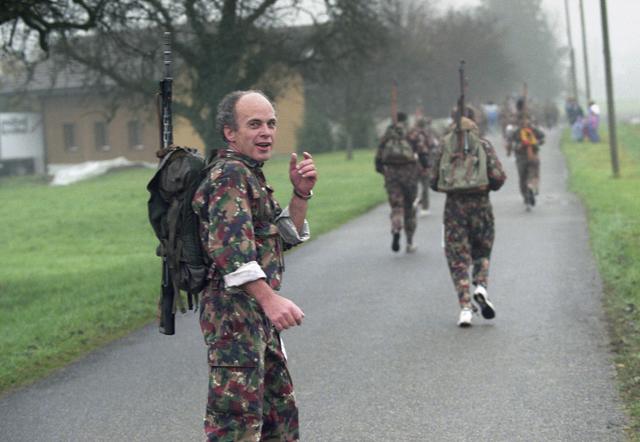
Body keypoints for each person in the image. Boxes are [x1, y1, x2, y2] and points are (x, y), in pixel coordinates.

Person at [192, 90, 317, 441]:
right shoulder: (230, 175)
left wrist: (301, 193)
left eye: (271, 123)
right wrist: (270, 299)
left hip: (255, 316)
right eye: (255, 124)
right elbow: (231, 251)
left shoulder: (249, 173)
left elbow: (280, 238)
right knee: (237, 426)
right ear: (230, 132)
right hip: (233, 316)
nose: (266, 132)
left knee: (279, 418)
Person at [431, 107, 507, 327]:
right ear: (474, 122)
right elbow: (498, 178)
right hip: (481, 207)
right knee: (482, 249)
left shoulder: (444, 147)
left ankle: (465, 307)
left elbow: (433, 181)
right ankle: (481, 286)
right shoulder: (483, 145)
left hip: (454, 210)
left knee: (457, 258)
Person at [375, 111, 420, 253]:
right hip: (409, 176)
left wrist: (386, 172)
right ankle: (410, 242)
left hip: (392, 176)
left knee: (396, 206)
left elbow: (378, 160)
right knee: (409, 208)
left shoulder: (387, 136)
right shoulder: (411, 134)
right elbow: (421, 152)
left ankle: (396, 227)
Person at [506, 114, 545, 210]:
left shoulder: (518, 131)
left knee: (524, 177)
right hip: (528, 157)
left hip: (525, 157)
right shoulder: (529, 130)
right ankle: (530, 189)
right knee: (530, 176)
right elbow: (542, 139)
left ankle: (527, 196)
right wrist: (536, 143)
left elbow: (509, 143)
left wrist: (510, 150)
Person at [407, 116, 438, 217]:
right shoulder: (427, 134)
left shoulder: (411, 133)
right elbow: (433, 145)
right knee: (425, 185)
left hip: (412, 163)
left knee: (413, 184)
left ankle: (414, 202)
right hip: (424, 162)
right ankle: (425, 207)